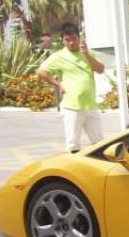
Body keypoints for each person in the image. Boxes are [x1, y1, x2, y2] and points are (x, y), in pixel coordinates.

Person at [38, 22, 106, 152]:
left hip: (90, 105)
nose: (71, 43)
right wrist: (57, 84)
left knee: (99, 142)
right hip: (72, 106)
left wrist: (86, 54)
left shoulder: (89, 53)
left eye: (73, 39)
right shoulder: (59, 56)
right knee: (73, 143)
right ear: (62, 40)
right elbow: (41, 71)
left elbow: (100, 69)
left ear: (79, 38)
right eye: (67, 40)